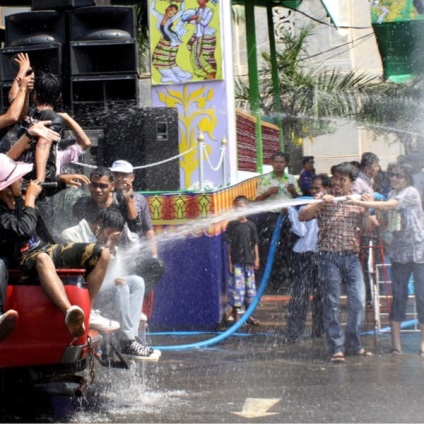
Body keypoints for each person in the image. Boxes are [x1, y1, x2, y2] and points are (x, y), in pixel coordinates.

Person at [0, 153, 113, 338]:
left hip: (45, 247)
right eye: (16, 178)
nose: (21, 180)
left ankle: (87, 312)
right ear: (5, 188)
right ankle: (70, 313)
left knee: (102, 253)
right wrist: (29, 202)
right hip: (22, 258)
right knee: (43, 258)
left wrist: (61, 181)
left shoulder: (19, 193)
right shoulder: (3, 212)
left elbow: (40, 189)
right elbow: (24, 230)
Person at [61, 208, 160, 360]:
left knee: (136, 281)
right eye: (111, 234)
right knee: (120, 284)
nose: (111, 239)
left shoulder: (102, 240)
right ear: (99, 226)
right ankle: (127, 340)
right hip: (84, 291)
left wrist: (111, 251)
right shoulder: (70, 234)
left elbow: (111, 273)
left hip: (102, 288)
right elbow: (83, 270)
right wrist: (105, 249)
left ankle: (130, 338)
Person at [299, 162, 373, 363]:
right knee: (331, 303)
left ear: (351, 182)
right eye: (335, 178)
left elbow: (370, 227)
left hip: (351, 257)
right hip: (327, 257)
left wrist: (367, 208)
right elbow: (302, 215)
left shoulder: (356, 200)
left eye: (343, 179)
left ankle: (354, 344)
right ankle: (336, 348)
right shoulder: (323, 197)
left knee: (358, 301)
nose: (338, 182)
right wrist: (322, 203)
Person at [347, 162, 424, 356]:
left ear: (407, 179)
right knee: (398, 298)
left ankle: (423, 344)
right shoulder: (389, 195)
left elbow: (392, 205)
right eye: (392, 175)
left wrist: (364, 203)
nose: (395, 179)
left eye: (399, 176)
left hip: (418, 252)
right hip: (398, 254)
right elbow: (383, 222)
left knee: (422, 298)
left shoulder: (411, 193)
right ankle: (396, 345)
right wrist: (370, 210)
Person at [285, 174, 331, 343]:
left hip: (323, 254)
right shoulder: (303, 205)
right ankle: (294, 332)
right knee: (299, 294)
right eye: (312, 188)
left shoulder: (331, 205)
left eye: (317, 189)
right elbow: (301, 231)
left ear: (326, 189)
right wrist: (291, 209)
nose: (313, 191)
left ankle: (319, 331)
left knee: (322, 295)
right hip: (303, 254)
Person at [254, 152, 300, 292]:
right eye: (276, 162)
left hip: (288, 218)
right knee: (272, 248)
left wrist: (293, 192)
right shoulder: (265, 180)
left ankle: (290, 279)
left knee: (289, 247)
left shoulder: (291, 179)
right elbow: (257, 200)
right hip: (271, 218)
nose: (279, 164)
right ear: (272, 164)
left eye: (282, 162)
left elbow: (299, 198)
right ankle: (275, 281)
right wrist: (267, 193)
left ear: (286, 164)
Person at [223, 195, 260, 325]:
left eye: (241, 207)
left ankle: (248, 316)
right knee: (237, 292)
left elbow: (255, 243)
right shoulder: (232, 225)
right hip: (237, 262)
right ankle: (237, 317)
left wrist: (257, 259)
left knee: (250, 291)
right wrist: (230, 262)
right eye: (236, 207)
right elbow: (229, 245)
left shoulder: (251, 225)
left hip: (249, 263)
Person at [353, 152, 382, 308]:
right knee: (365, 264)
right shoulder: (358, 183)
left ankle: (370, 295)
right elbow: (355, 204)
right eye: (376, 165)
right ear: (368, 167)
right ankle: (367, 298)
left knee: (371, 263)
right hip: (363, 231)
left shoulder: (369, 182)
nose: (378, 168)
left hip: (371, 230)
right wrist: (369, 217)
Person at [151, 0, 192, 84]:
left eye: (174, 13)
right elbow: (152, 9)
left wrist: (182, 2)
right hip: (166, 41)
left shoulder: (171, 19)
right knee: (169, 60)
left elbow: (181, 11)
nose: (172, 13)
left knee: (159, 60)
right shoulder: (159, 16)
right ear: (168, 8)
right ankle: (178, 74)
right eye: (171, 10)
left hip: (171, 41)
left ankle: (170, 76)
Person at [186, 0, 217, 80]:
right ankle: (202, 73)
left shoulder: (209, 11)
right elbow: (194, 22)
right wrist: (189, 19)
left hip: (207, 36)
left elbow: (204, 23)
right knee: (194, 56)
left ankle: (211, 73)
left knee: (206, 56)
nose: (199, 1)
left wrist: (197, 18)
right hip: (198, 34)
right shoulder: (196, 9)